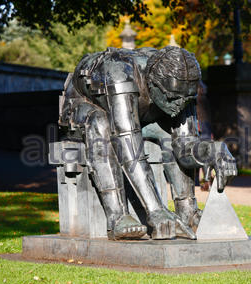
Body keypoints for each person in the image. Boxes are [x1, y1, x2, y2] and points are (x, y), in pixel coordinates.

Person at [59, 46, 237, 240]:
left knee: (171, 133)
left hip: (140, 114)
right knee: (100, 124)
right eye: (172, 98)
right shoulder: (119, 73)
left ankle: (188, 212)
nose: (179, 105)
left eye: (186, 100)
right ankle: (117, 217)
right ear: (153, 85)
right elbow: (129, 148)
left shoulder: (182, 87)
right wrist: (156, 210)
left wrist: (214, 150)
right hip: (82, 105)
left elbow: (185, 147)